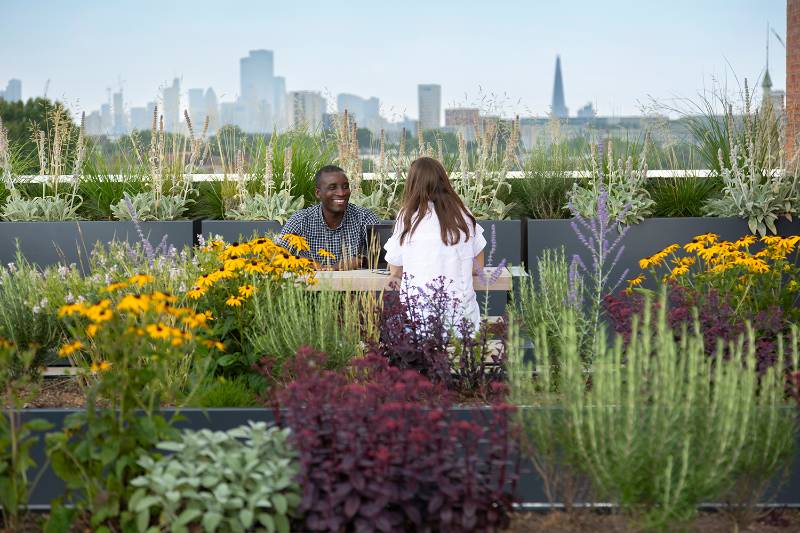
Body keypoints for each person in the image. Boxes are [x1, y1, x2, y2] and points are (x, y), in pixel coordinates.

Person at [384, 157, 485, 329]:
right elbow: (478, 267)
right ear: (444, 181)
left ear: (412, 185)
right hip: (463, 323)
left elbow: (395, 269)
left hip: (419, 322)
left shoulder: (407, 217)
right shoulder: (464, 215)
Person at [279, 165, 380, 269]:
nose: (341, 193)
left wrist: (359, 261)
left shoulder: (365, 218)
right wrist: (308, 264)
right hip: (310, 283)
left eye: (345, 187)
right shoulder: (300, 220)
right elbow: (274, 256)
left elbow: (385, 259)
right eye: (332, 188)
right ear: (318, 193)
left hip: (354, 284)